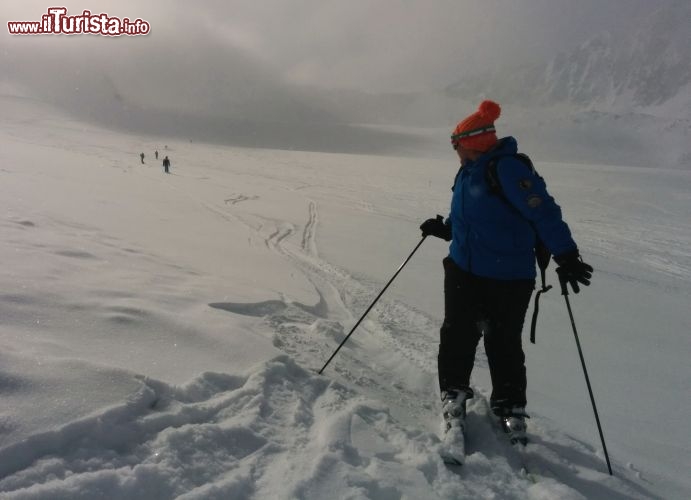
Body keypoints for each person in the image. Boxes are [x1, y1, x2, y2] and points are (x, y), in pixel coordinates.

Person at [420, 100, 593, 446]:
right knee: (457, 335)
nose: (455, 153)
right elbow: (468, 214)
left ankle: (510, 407)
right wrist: (447, 228)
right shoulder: (468, 172)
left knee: (503, 342)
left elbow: (544, 212)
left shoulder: (508, 169)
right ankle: (453, 396)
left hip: (509, 276)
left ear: (470, 142)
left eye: (457, 146)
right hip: (463, 270)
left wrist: (566, 255)